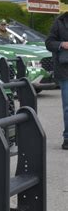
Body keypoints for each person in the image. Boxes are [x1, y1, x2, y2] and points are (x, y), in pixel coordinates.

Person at [45, 11, 68, 149]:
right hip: (65, 71)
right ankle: (67, 138)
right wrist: (62, 44)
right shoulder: (60, 22)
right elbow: (49, 43)